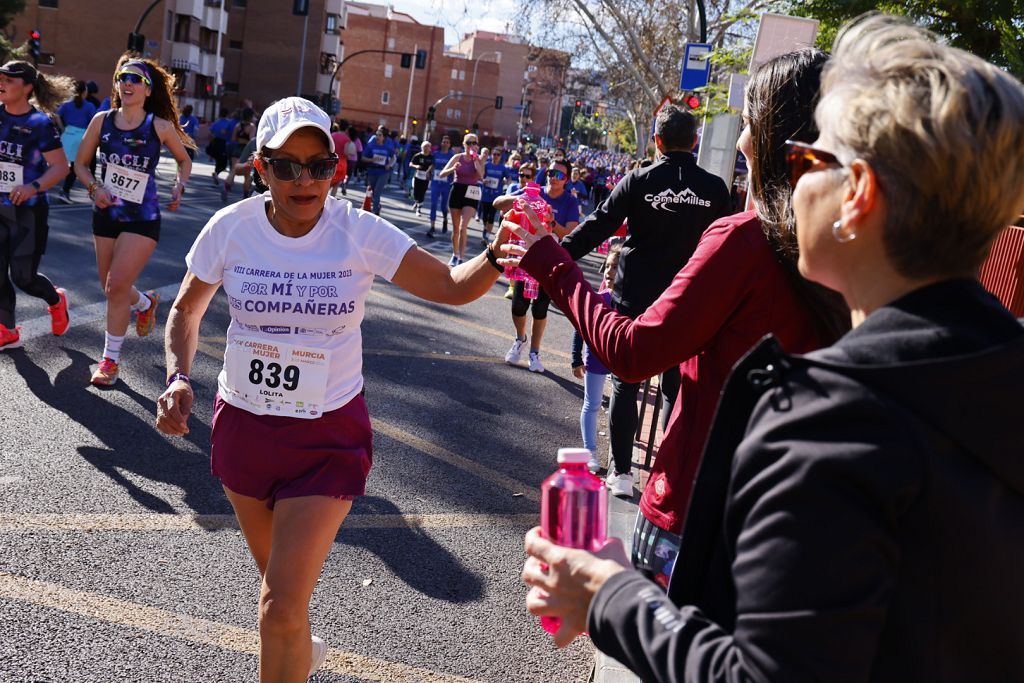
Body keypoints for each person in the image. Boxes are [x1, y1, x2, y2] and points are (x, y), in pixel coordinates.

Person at [518, 14, 1024, 680]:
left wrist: (610, 593)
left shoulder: (828, 421)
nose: (791, 180)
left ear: (857, 196)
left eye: (808, 158)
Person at [155, 96, 512, 681]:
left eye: (319, 166)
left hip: (328, 438)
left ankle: (294, 642)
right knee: (284, 603)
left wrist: (501, 250)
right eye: (287, 166)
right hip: (244, 429)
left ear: (335, 170)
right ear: (260, 167)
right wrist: (175, 377)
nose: (305, 180)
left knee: (276, 608)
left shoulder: (357, 232)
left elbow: (451, 286)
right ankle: (303, 649)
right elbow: (185, 314)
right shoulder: (231, 229)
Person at [554, 106, 731, 497]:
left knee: (626, 382)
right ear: (695, 142)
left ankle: (621, 474)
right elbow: (726, 246)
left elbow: (598, 223)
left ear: (657, 141)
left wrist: (557, 253)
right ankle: (662, 475)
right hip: (686, 298)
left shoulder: (638, 180)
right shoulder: (716, 189)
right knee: (674, 388)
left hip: (634, 296)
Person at [74, 54, 194, 386]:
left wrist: (180, 184)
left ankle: (109, 362)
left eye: (135, 79)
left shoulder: (159, 126)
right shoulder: (101, 121)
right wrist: (94, 187)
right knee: (110, 286)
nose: (127, 83)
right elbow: (80, 165)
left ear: (146, 89)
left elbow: (184, 161)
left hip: (142, 218)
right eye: (123, 78)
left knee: (115, 288)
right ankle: (145, 303)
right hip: (106, 213)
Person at [0, 60, 72, 349]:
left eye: (10, 79)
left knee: (23, 277)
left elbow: (60, 167)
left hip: (27, 211)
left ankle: (56, 300)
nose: (2, 82)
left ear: (28, 87)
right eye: (0, 77)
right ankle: (6, 329)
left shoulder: (40, 123)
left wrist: (32, 187)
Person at [494, 157, 580, 372]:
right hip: (526, 255)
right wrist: (519, 200)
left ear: (567, 179)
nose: (553, 178)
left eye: (559, 175)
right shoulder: (533, 193)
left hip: (550, 259)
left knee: (541, 307)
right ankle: (520, 338)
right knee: (518, 305)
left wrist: (551, 222)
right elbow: (497, 204)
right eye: (550, 173)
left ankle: (534, 352)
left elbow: (569, 232)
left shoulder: (569, 201)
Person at [571, 242, 620, 472]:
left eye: (616, 267)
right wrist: (575, 357)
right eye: (608, 266)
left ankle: (620, 453)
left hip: (620, 360)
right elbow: (579, 326)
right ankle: (589, 452)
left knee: (619, 406)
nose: (610, 272)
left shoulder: (632, 303)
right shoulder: (598, 297)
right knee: (592, 404)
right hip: (596, 359)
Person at [438, 133, 485, 266]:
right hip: (457, 190)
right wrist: (454, 168)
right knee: (456, 227)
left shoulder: (479, 159)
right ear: (464, 144)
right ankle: (455, 254)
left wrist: (476, 160)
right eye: (468, 143)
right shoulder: (457, 157)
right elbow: (442, 174)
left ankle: (461, 258)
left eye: (474, 143)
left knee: (463, 226)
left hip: (471, 192)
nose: (471, 145)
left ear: (477, 145)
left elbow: (481, 175)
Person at [56, 80, 97, 203]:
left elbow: (56, 115)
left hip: (68, 134)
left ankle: (66, 190)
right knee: (80, 166)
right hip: (81, 137)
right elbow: (93, 122)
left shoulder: (66, 104)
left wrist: (63, 128)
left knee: (68, 164)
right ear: (85, 92)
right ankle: (66, 190)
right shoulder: (89, 106)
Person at [223, 107, 255, 202]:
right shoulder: (252, 127)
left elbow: (233, 139)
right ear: (251, 116)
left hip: (237, 149)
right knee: (247, 174)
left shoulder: (238, 125)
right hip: (246, 150)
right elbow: (251, 140)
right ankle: (245, 195)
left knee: (233, 171)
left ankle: (226, 189)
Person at [362, 125, 395, 215]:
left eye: (380, 135)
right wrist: (371, 160)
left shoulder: (388, 147)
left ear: (384, 137)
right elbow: (363, 158)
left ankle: (375, 211)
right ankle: (377, 206)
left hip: (383, 172)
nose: (377, 137)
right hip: (372, 170)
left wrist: (389, 165)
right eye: (376, 135)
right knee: (372, 192)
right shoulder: (371, 145)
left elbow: (394, 157)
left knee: (377, 191)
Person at [479, 146, 508, 247]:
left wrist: (506, 183)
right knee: (484, 216)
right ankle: (485, 229)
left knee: (491, 216)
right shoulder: (487, 165)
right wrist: (483, 181)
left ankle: (486, 235)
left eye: (498, 155)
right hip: (485, 194)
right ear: (491, 155)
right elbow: (481, 176)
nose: (496, 156)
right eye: (494, 154)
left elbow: (508, 178)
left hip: (496, 196)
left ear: (500, 157)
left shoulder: (503, 168)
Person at [426, 135, 453, 237]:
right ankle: (432, 227)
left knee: (443, 206)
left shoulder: (451, 155)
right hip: (435, 182)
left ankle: (445, 219)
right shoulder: (436, 154)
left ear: (449, 145)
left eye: (447, 142)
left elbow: (454, 168)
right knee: (433, 204)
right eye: (443, 142)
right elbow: (433, 165)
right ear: (441, 143)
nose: (445, 144)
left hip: (446, 184)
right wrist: (429, 171)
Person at [408, 140, 433, 215]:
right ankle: (416, 202)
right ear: (422, 147)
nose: (426, 148)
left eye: (428, 147)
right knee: (416, 192)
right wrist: (416, 166)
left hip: (426, 177)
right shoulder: (417, 156)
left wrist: (430, 169)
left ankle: (418, 209)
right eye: (425, 147)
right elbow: (410, 163)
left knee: (422, 192)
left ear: (430, 148)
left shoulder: (431, 157)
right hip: (417, 176)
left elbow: (434, 165)